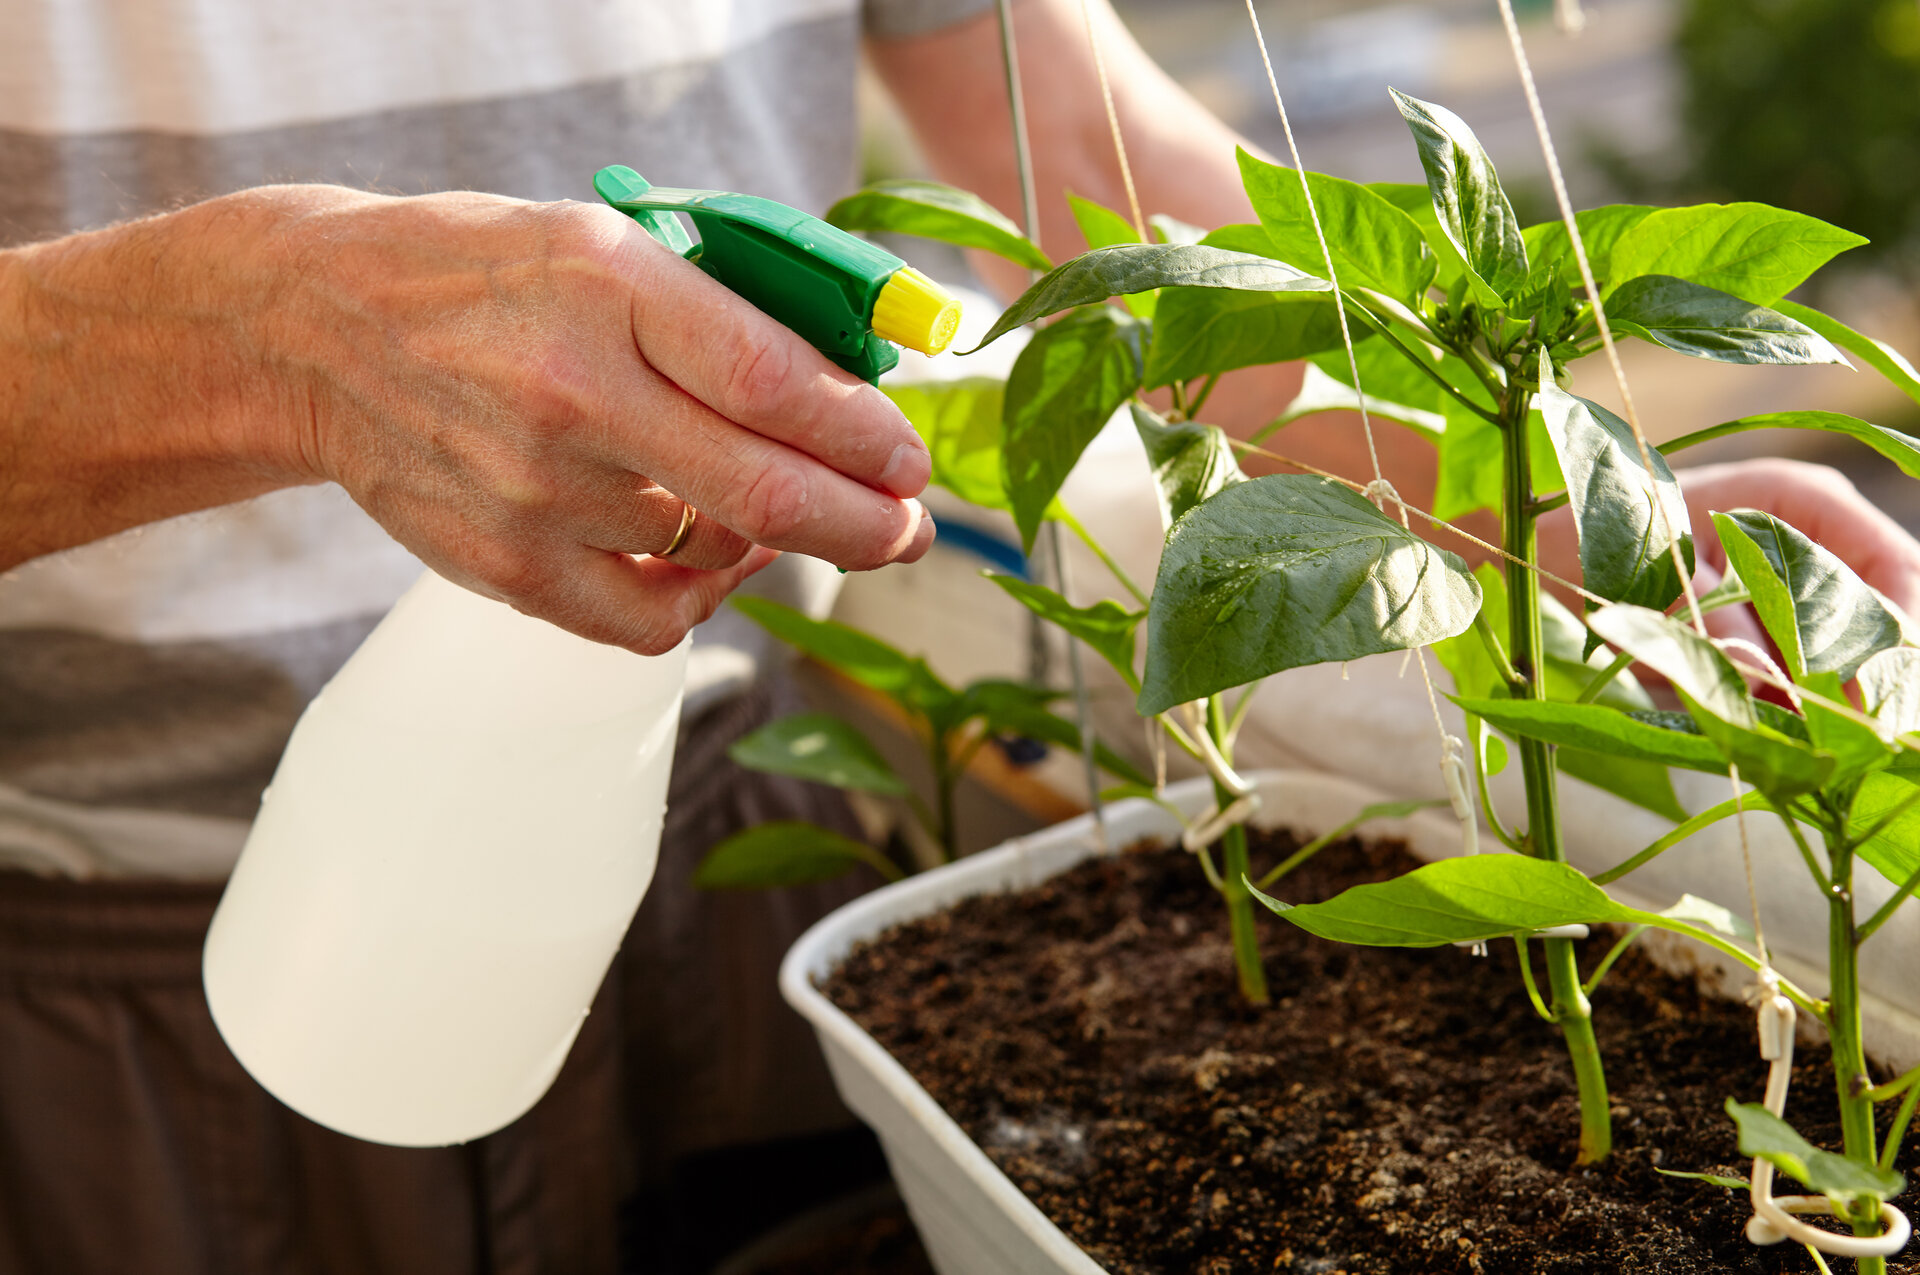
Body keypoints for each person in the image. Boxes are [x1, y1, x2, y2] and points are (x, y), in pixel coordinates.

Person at [3, 1, 1917, 1272]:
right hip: (121, 960)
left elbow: (1080, 148)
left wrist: (1533, 494)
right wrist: (258, 327)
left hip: (733, 823)